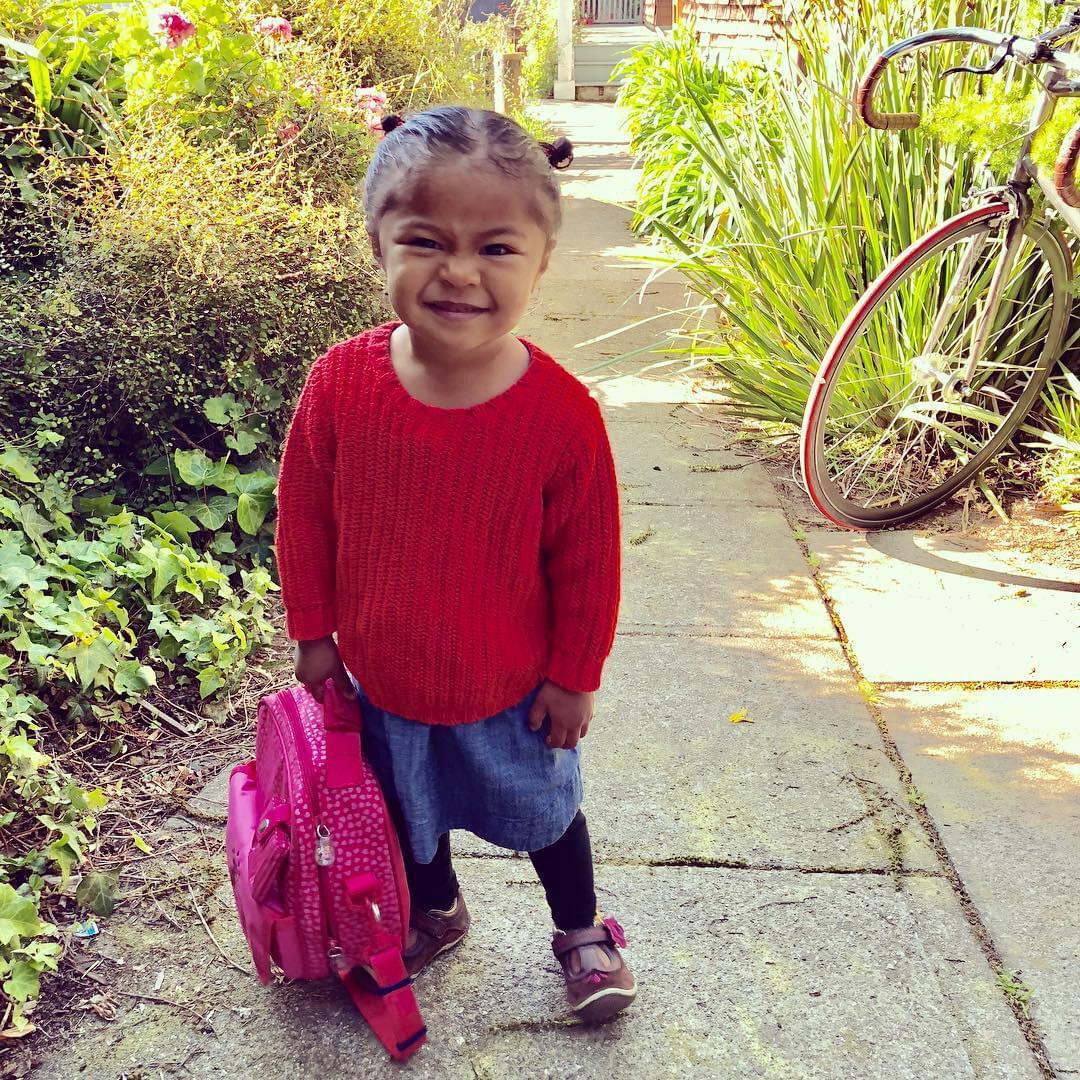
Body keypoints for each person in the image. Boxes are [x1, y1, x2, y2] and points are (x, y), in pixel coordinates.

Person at [275, 105, 634, 1023]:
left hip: (513, 683)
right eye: (426, 240)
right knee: (407, 811)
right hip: (385, 675)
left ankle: (581, 929)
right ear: (379, 244)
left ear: (541, 259)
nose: (460, 272)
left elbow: (588, 563)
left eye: (497, 249)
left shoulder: (561, 415)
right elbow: (304, 515)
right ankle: (434, 908)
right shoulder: (341, 385)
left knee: (549, 816)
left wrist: (574, 676)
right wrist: (313, 634)